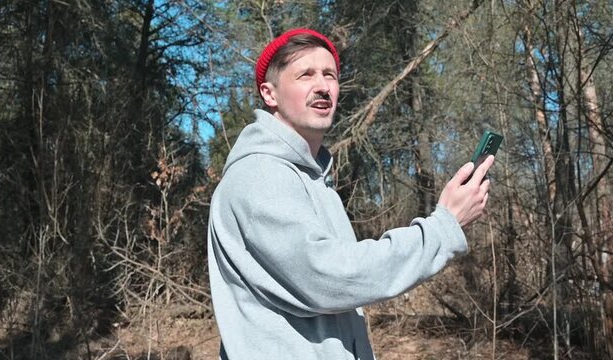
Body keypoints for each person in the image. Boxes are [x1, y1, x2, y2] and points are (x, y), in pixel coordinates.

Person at [207, 28, 494, 360]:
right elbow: (331, 277)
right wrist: (442, 227)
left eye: (330, 75)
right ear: (269, 94)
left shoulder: (316, 182)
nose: (323, 86)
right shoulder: (258, 174)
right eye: (305, 75)